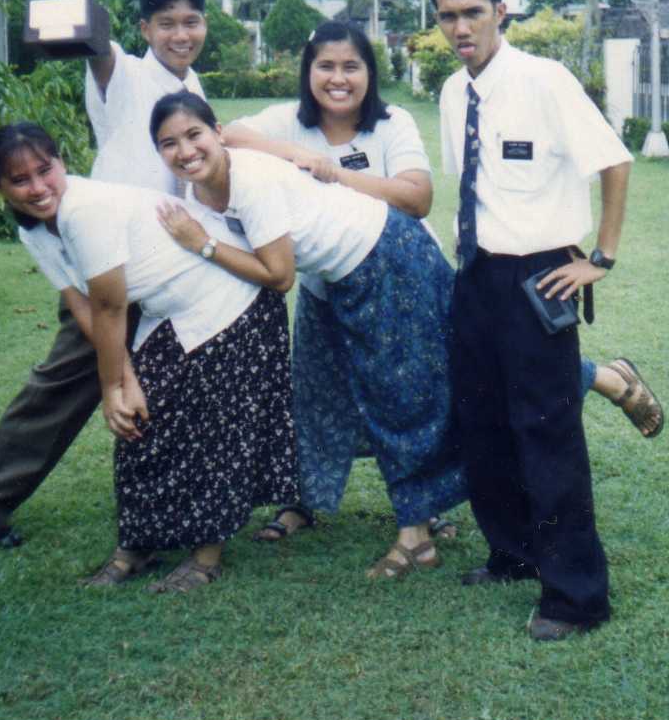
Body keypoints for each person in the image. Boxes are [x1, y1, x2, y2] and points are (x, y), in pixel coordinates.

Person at [221, 22, 662, 544]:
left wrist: (333, 174)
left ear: (370, 73)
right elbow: (228, 135)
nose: (338, 79)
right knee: (317, 391)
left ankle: (601, 381)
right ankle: (303, 501)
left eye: (351, 67)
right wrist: (294, 154)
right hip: (326, 281)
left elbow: (416, 198)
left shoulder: (391, 124)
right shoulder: (287, 124)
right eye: (325, 66)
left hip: (402, 278)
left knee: (443, 381)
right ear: (307, 71)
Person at [151, 91, 467, 579]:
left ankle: (416, 539)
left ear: (215, 132)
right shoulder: (199, 190)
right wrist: (293, 153)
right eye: (169, 144)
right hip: (347, 276)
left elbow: (279, 277)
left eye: (195, 135)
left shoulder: (248, 182)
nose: (185, 151)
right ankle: (606, 380)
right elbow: (237, 135)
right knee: (384, 387)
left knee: (404, 395)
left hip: (389, 258)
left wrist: (204, 244)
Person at [0, 0, 211, 548]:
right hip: (104, 269)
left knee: (183, 384)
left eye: (191, 23)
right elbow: (96, 43)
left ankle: (189, 504)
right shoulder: (125, 77)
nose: (180, 35)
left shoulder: (191, 87)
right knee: (64, 389)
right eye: (166, 24)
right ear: (144, 30)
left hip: (166, 269)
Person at [0, 122, 298, 591]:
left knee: (213, 431)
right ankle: (137, 546)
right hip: (170, 310)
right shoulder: (32, 226)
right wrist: (124, 378)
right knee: (141, 427)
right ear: (0, 188)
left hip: (232, 303)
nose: (37, 187)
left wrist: (114, 386)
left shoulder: (82, 210)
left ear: (61, 164)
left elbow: (112, 306)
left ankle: (205, 556)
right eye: (20, 180)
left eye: (44, 171)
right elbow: (83, 305)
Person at [432, 0, 633, 642]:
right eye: (447, 16)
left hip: (539, 274)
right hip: (478, 274)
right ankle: (513, 553)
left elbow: (614, 159)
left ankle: (577, 596)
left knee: (547, 431)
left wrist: (599, 257)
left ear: (501, 11)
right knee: (484, 425)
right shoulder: (453, 91)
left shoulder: (545, 81)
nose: (461, 27)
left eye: (472, 12)